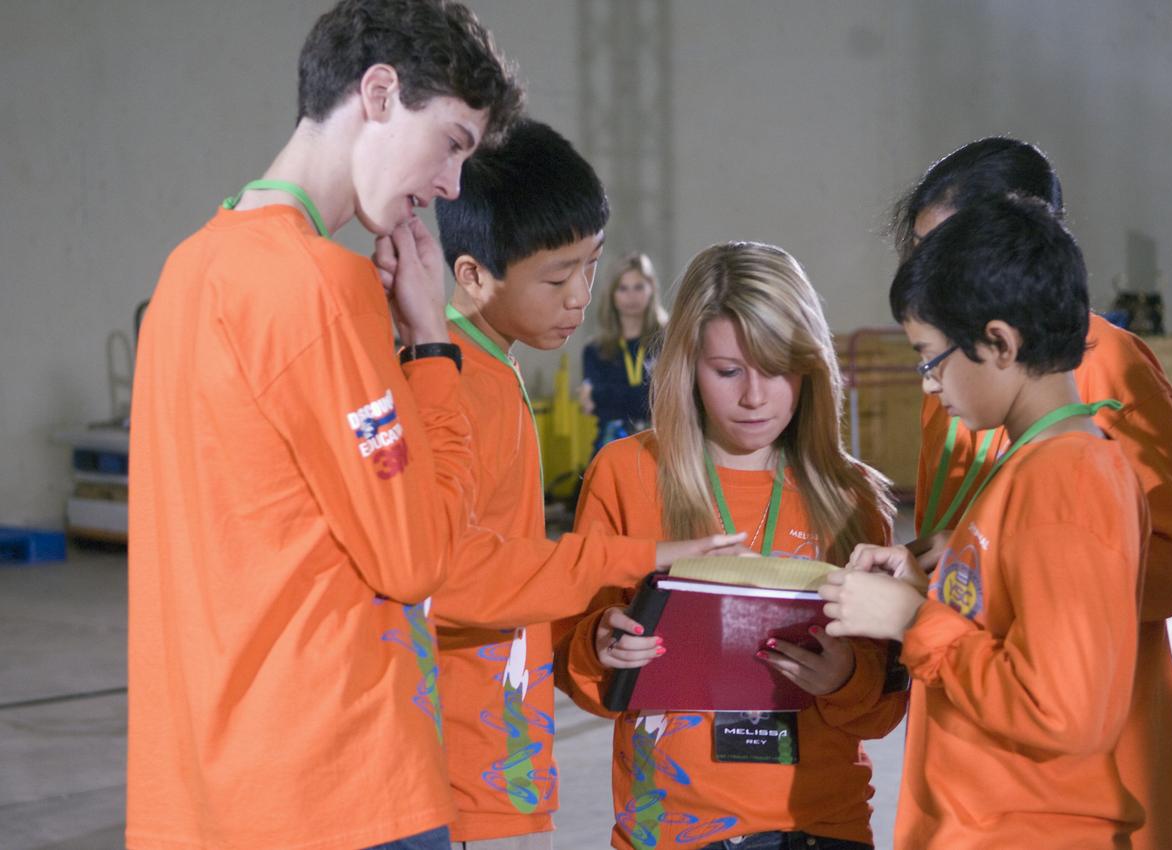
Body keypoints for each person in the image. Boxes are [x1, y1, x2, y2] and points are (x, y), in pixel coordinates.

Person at [128, 3, 525, 848]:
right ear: (379, 92)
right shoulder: (320, 286)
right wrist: (429, 349)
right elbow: (416, 559)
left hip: (206, 791)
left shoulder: (187, 272)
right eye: (452, 142)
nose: (451, 186)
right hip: (340, 782)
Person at [360, 119, 742, 850]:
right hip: (456, 752)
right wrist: (638, 555)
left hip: (475, 739)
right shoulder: (463, 383)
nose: (580, 296)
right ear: (471, 274)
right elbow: (453, 574)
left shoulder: (481, 368)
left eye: (591, 267)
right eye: (557, 277)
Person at [892, 137, 1172, 850]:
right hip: (975, 723)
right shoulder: (958, 375)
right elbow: (976, 546)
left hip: (1071, 735)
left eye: (945, 250)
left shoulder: (1099, 362)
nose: (927, 273)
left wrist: (1034, 593)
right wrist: (949, 565)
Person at [823, 195, 1150, 848]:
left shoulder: (1065, 479)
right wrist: (928, 590)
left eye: (930, 357)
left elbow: (1064, 711)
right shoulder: (1040, 466)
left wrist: (912, 622)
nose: (928, 384)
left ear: (998, 342)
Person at [555, 242, 905, 850]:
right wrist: (603, 647)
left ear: (811, 368)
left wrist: (845, 673)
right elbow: (573, 666)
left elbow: (882, 708)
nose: (753, 397)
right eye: (728, 371)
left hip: (818, 825)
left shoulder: (852, 497)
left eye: (777, 369)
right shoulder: (626, 474)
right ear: (687, 365)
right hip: (669, 829)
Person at [578, 252, 668, 452]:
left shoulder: (668, 341)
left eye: (638, 287)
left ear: (651, 288)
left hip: (661, 443)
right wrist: (647, 393)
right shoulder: (595, 349)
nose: (631, 296)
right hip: (611, 444)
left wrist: (604, 395)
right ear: (612, 294)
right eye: (623, 288)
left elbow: (671, 400)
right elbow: (595, 408)